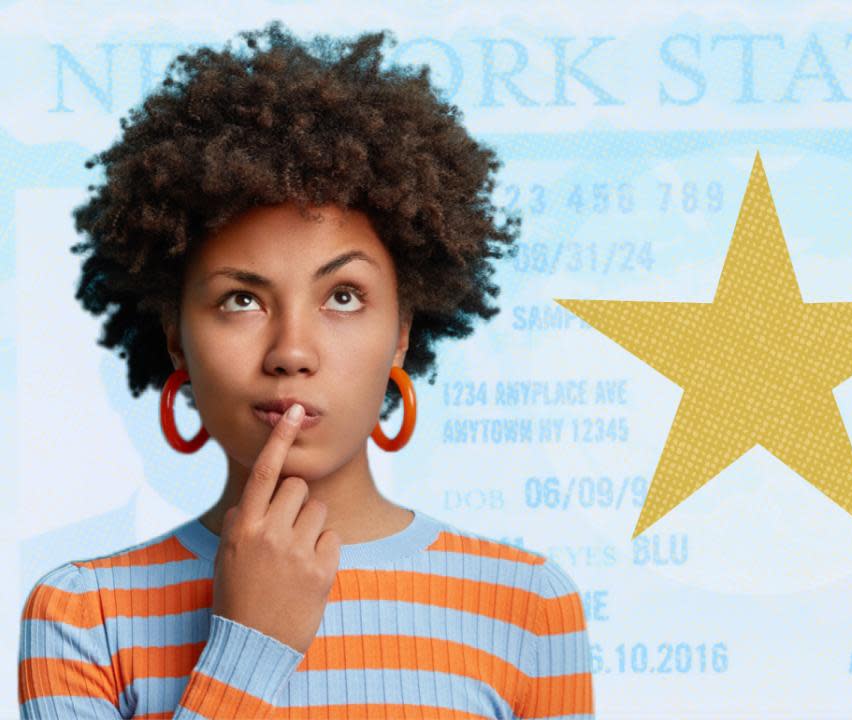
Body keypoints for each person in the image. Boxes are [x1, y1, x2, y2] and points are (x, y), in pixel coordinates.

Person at [17, 21, 594, 720]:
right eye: (241, 300)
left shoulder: (528, 605)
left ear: (402, 332)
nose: (292, 350)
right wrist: (249, 647)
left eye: (343, 298)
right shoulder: (83, 616)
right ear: (176, 340)